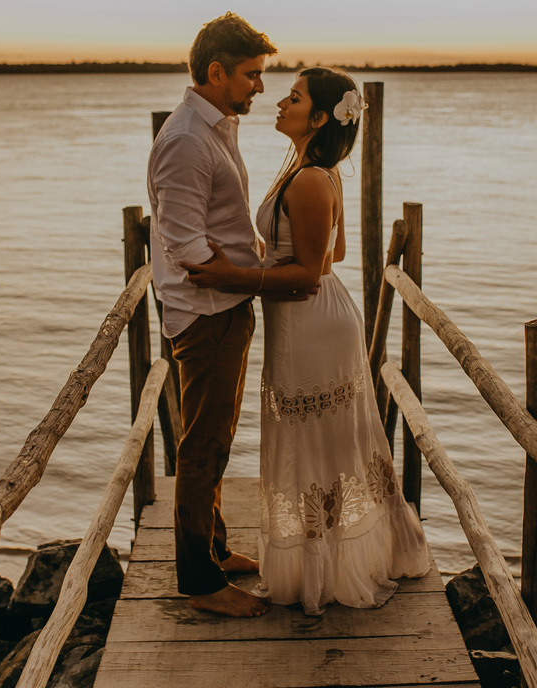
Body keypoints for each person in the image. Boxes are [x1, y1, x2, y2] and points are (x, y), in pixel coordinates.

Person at [183, 67, 431, 615]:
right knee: (318, 440)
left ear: (318, 117)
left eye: (293, 98)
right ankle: (327, 558)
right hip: (301, 320)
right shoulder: (305, 170)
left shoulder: (313, 180)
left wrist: (233, 276)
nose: (279, 102)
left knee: (317, 441)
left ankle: (326, 568)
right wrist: (268, 258)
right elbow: (331, 253)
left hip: (312, 323)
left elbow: (312, 273)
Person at [147, 12, 277, 618]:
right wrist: (246, 277)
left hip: (225, 306)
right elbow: (184, 242)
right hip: (206, 313)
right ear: (217, 72)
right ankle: (200, 582)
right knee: (203, 445)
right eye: (251, 75)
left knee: (216, 437)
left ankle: (216, 548)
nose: (260, 86)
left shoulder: (215, 128)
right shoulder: (185, 140)